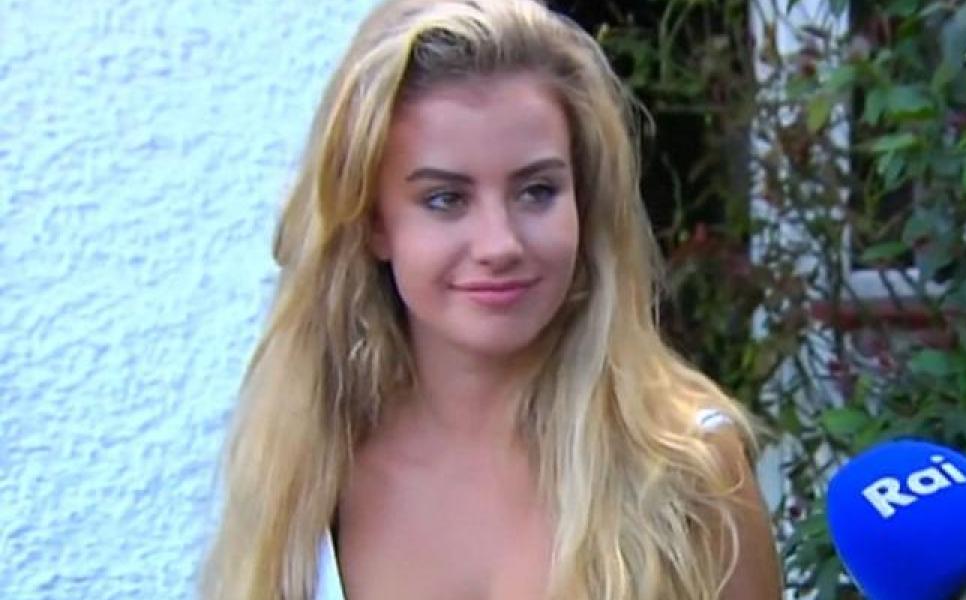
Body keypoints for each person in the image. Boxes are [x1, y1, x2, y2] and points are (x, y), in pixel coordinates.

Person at [202, 1, 781, 598]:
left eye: (537, 190)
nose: (500, 244)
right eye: (445, 199)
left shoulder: (688, 468)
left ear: (584, 202)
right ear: (372, 222)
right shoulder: (306, 469)